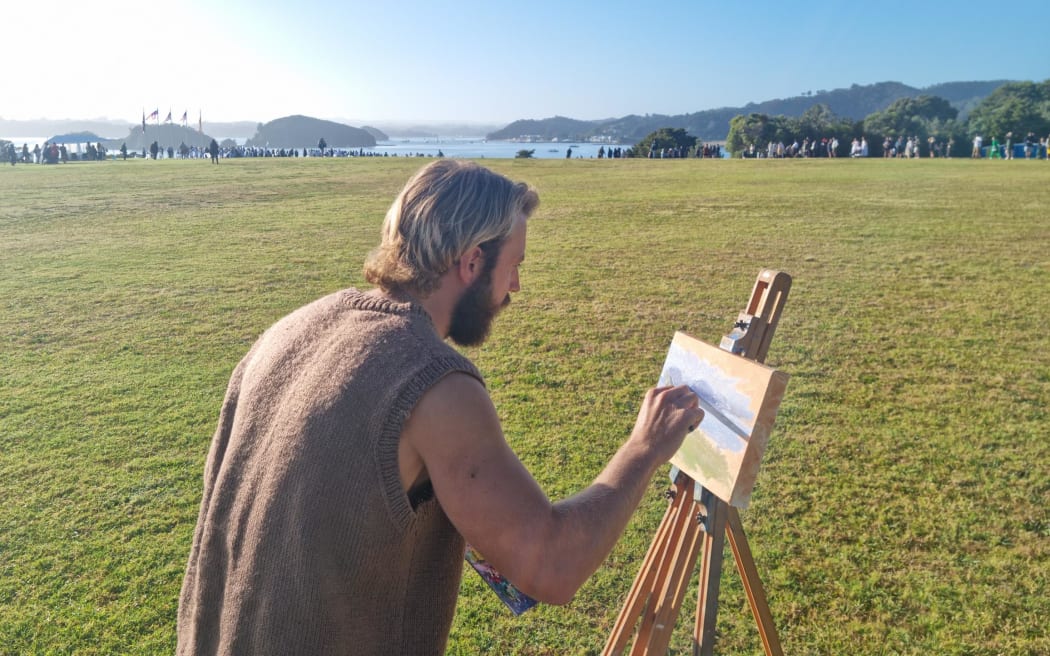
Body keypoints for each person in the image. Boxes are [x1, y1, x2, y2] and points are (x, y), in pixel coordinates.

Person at [176, 160, 704, 655]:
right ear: (473, 261)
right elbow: (550, 564)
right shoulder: (435, 384)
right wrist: (644, 448)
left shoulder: (287, 330)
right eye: (514, 266)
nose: (516, 286)